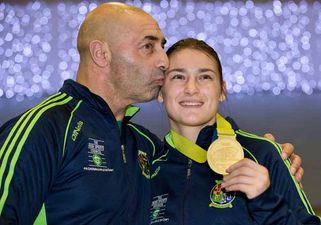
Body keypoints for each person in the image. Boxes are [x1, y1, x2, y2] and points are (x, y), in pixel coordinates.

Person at [0, 3, 303, 225]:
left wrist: (273, 169)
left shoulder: (145, 148)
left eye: (162, 46)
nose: (162, 60)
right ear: (101, 54)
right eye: (148, 47)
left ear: (223, 89)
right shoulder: (46, 127)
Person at [150, 38, 320, 224]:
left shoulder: (262, 154)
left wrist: (265, 200)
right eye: (178, 77)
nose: (191, 88)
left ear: (222, 90)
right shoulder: (147, 167)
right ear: (160, 92)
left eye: (205, 77)